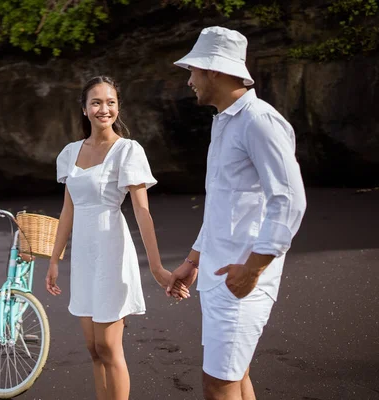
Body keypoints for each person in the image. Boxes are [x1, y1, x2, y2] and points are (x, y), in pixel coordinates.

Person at [167, 26, 307, 400]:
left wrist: (253, 269)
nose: (190, 80)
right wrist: (193, 260)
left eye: (194, 70)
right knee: (235, 375)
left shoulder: (259, 120)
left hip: (242, 279)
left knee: (219, 384)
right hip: (219, 274)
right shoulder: (226, 120)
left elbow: (290, 200)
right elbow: (222, 205)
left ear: (214, 70)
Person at [46, 75, 189, 400]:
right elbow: (68, 210)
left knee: (110, 348)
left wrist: (157, 268)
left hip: (112, 252)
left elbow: (142, 211)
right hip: (83, 256)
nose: (104, 109)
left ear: (118, 106)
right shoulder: (70, 153)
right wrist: (55, 259)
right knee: (93, 348)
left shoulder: (127, 150)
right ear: (84, 108)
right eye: (96, 102)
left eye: (110, 102)